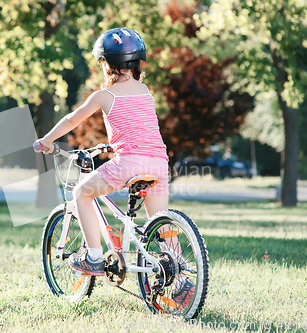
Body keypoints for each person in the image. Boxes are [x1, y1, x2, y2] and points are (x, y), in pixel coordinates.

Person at [34, 28, 193, 307]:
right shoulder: (146, 92)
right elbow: (138, 130)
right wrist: (113, 145)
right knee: (163, 228)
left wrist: (47, 140)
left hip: (128, 164)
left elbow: (72, 120)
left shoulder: (103, 96)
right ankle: (182, 282)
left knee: (82, 192)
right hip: (158, 164)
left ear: (106, 64)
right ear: (137, 63)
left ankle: (94, 257)